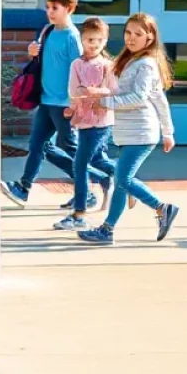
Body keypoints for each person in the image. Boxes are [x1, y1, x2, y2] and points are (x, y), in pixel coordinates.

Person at [77, 12, 179, 246]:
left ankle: (162, 208)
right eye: (128, 32)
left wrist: (104, 102)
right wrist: (99, 94)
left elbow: (138, 98)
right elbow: (157, 99)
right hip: (129, 132)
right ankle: (107, 230)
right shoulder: (128, 60)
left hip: (142, 132)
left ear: (150, 38)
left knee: (123, 178)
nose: (131, 38)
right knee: (123, 182)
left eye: (138, 34)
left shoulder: (146, 64)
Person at [0, 0, 106, 207]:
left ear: (69, 8)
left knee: (71, 149)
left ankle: (97, 182)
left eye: (54, 7)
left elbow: (80, 72)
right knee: (38, 144)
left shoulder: (72, 37)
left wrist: (76, 104)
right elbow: (43, 61)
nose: (49, 12)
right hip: (46, 101)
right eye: (47, 7)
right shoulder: (47, 31)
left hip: (64, 104)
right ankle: (23, 188)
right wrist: (32, 52)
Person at [53, 17, 118, 231]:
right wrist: (72, 108)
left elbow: (114, 91)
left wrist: (94, 92)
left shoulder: (108, 66)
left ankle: (79, 214)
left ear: (105, 41)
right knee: (98, 159)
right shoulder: (77, 65)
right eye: (90, 39)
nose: (94, 43)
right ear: (82, 39)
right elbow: (74, 91)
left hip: (101, 122)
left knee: (79, 164)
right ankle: (123, 175)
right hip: (83, 122)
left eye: (99, 40)